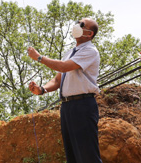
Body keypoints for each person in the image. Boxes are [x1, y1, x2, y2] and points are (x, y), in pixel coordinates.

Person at [27, 18, 102, 163]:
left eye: (81, 25)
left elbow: (63, 67)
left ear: (89, 34)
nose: (76, 26)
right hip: (67, 107)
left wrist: (39, 57)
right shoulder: (70, 52)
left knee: (88, 156)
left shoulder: (90, 51)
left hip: (83, 105)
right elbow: (57, 80)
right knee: (72, 156)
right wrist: (41, 90)